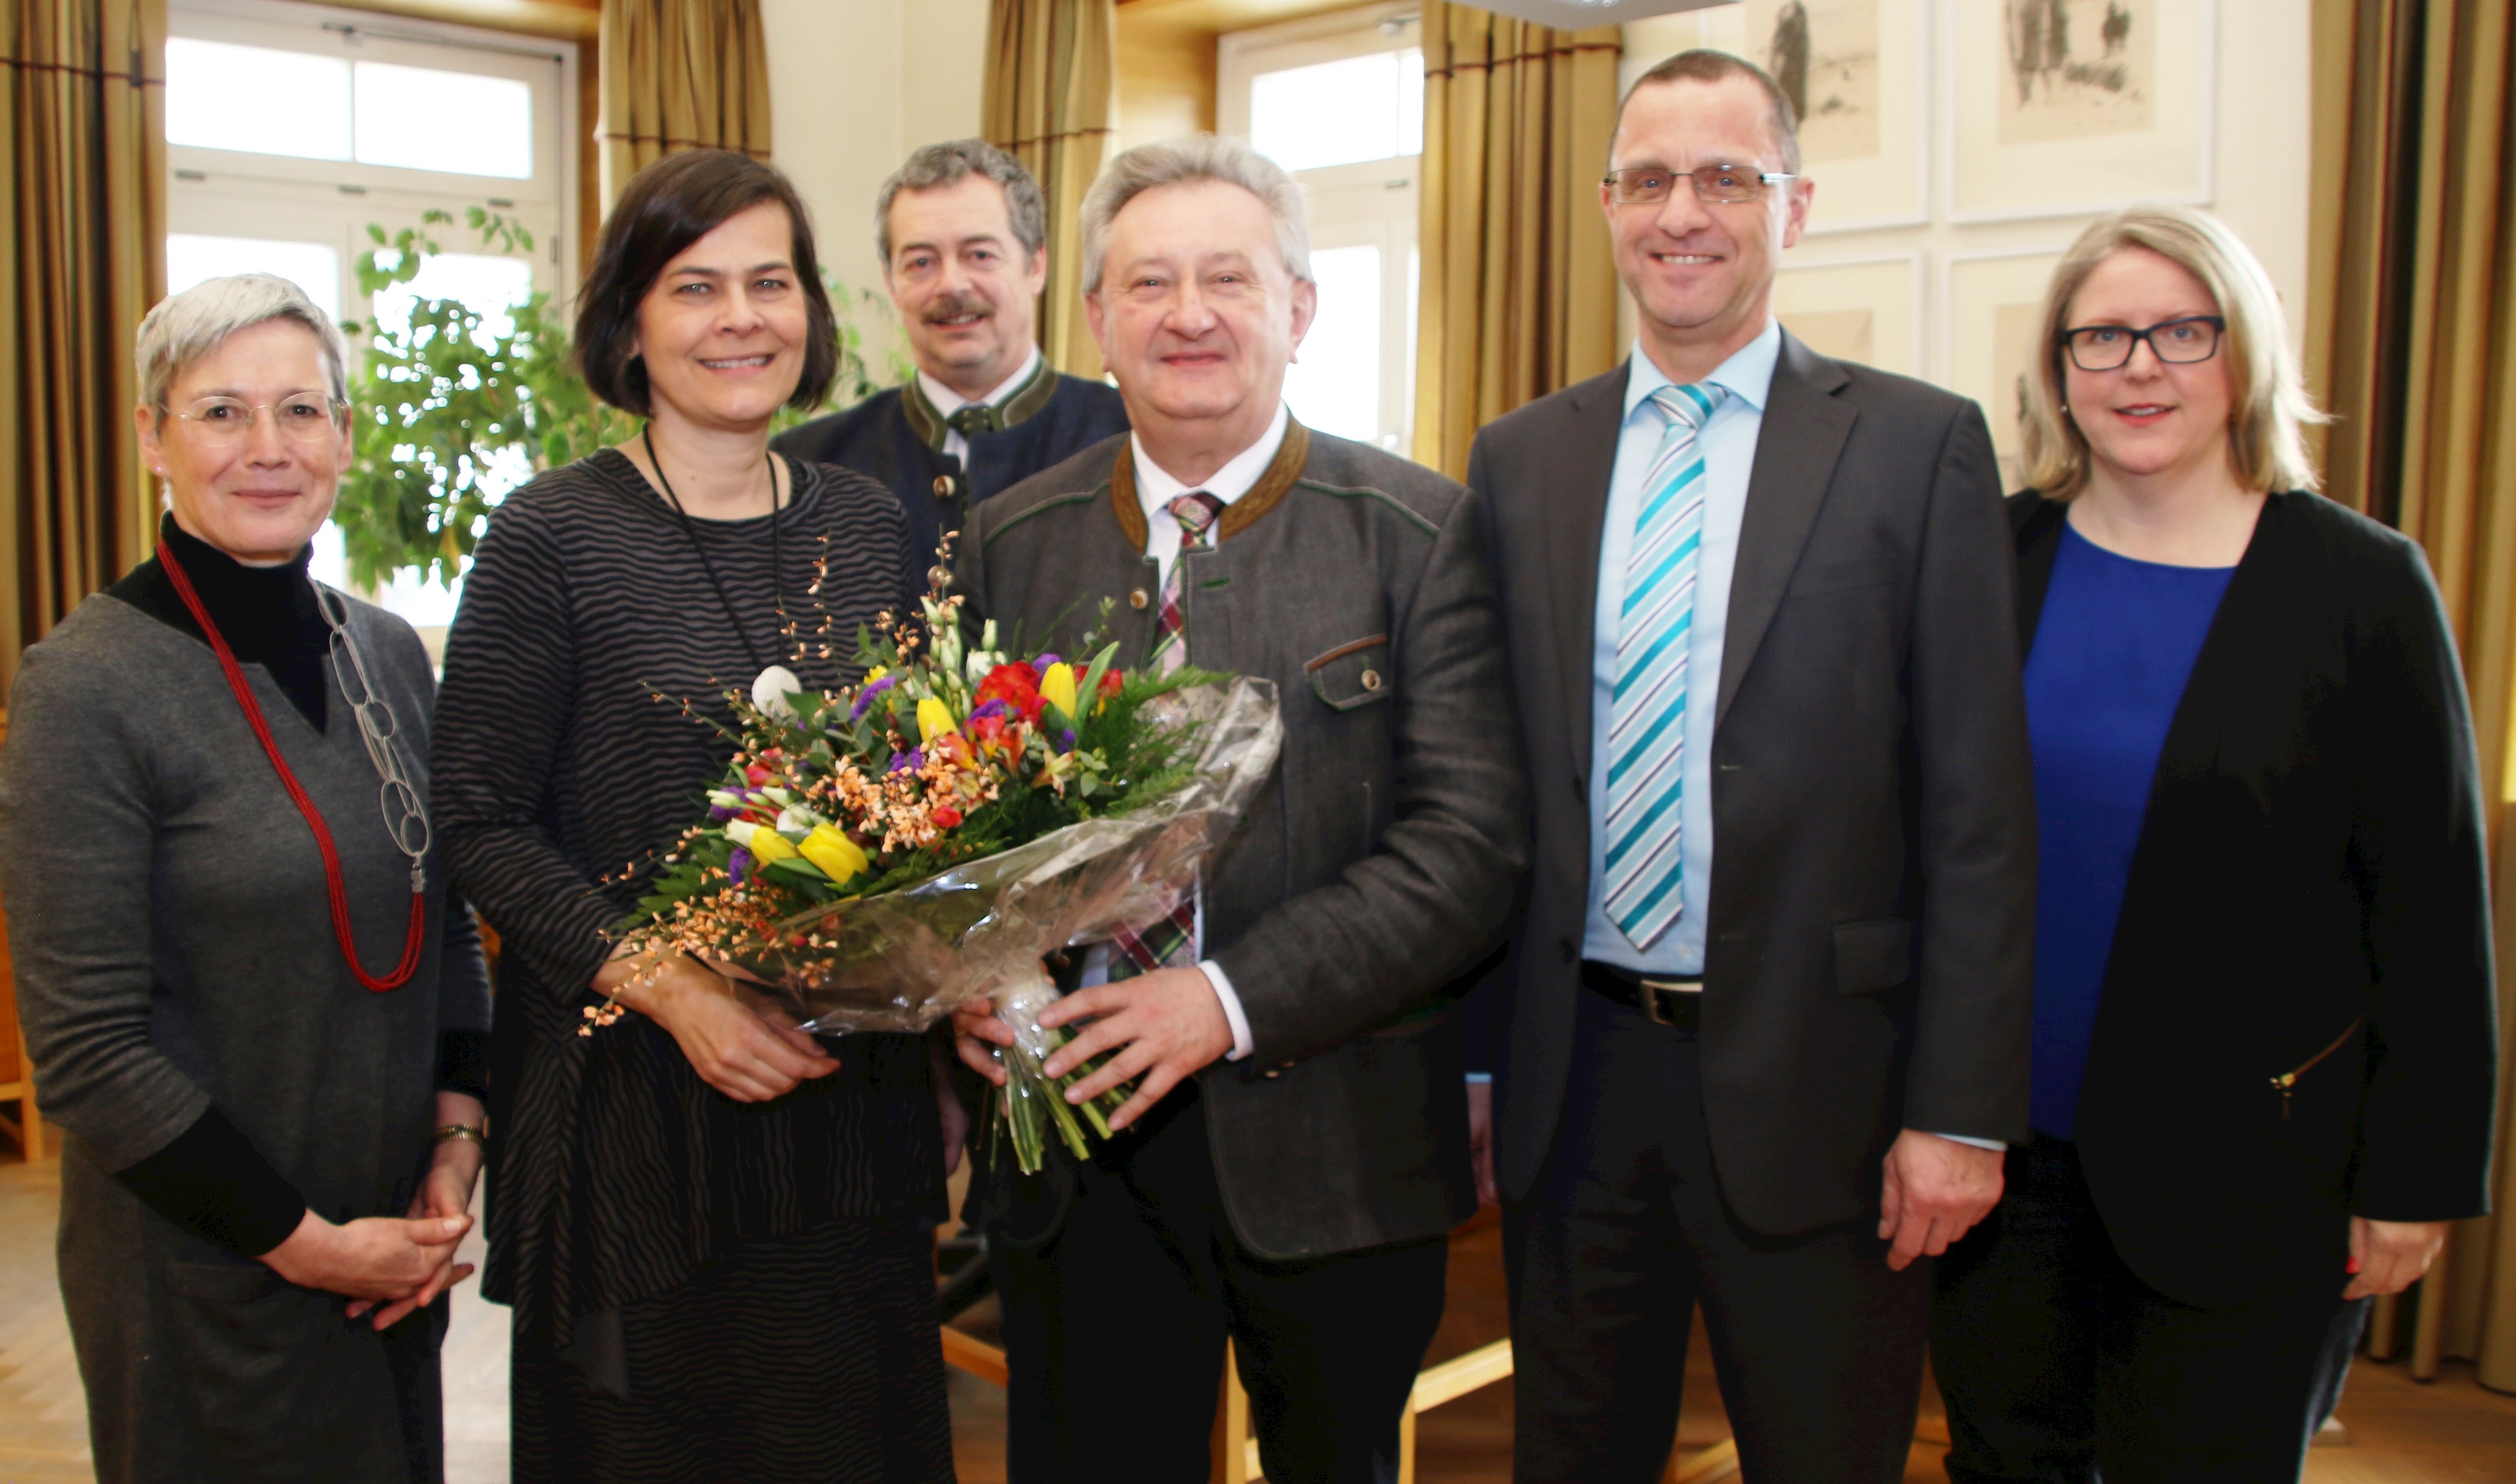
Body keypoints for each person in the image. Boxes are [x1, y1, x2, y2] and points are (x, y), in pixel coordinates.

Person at [1465, 50, 2036, 1483]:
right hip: (1576, 1078)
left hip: (1825, 1086)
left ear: (1795, 205)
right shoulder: (1521, 459)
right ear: (1605, 204)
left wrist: (1958, 1112)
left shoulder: (1916, 448)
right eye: (1648, 177)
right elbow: (1492, 792)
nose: (1683, 212)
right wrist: (1476, 1064)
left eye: (1727, 175)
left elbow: (1978, 815)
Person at [950, 134, 1527, 1484]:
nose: (1187, 314)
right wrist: (972, 974)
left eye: (1227, 277)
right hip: (1071, 1145)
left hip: (1334, 1145)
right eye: (1147, 282)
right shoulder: (1010, 541)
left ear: (1299, 307)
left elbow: (1468, 846)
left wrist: (1223, 997)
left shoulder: (1416, 531)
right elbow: (960, 818)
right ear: (1095, 316)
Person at [1930, 205, 2499, 1483]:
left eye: (2180, 331)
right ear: (2058, 375)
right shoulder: (1988, 554)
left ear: (2242, 355)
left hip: (2253, 1173)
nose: (2139, 365)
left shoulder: (2360, 585)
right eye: (2101, 337)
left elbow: (2428, 901)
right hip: (2000, 1164)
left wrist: (2416, 1176)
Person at [431, 149, 955, 1483]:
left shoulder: (870, 522)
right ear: (629, 323)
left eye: (769, 281)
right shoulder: (549, 536)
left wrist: (944, 1015)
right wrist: (681, 992)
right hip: (636, 1120)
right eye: (695, 285)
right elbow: (479, 820)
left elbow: (926, 809)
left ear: (810, 314)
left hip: (846, 1113)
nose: (740, 317)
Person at [0, 273, 491, 1482]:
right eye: (221, 412)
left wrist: (456, 1139)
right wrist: (312, 1245)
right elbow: (88, 1053)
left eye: (302, 409)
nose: (268, 448)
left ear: (345, 432)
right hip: (205, 1263)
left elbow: (446, 932)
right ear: (150, 434)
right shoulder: (85, 686)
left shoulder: (384, 652)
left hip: (392, 1247)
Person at [772, 138, 1128, 586]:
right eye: (921, 262)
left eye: (980, 255)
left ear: (1036, 265)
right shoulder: (810, 466)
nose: (951, 285)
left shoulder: (1127, 439)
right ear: (891, 281)